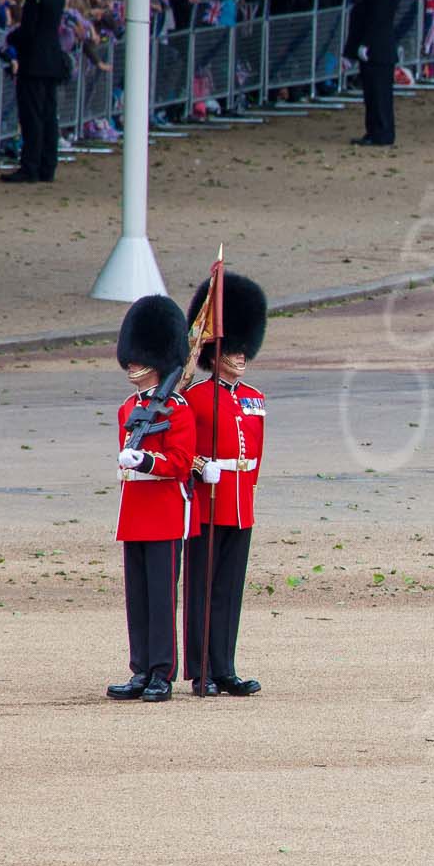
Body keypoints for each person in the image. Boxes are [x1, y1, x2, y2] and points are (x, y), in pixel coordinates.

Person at [181, 273, 268, 698]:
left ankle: (225, 666)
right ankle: (201, 671)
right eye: (231, 351)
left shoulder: (254, 398)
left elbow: (255, 454)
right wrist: (202, 467)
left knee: (229, 592)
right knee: (201, 588)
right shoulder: (195, 397)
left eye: (242, 351)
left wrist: (243, 487)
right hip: (207, 502)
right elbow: (182, 450)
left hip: (238, 502)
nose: (240, 358)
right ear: (214, 355)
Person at [108, 295, 197, 704]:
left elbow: (179, 463)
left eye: (139, 358)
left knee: (162, 597)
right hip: (135, 511)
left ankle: (162, 672)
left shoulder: (177, 409)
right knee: (138, 598)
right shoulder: (128, 407)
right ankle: (140, 669)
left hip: (163, 511)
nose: (132, 365)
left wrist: (145, 458)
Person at [2, 0, 68, 183]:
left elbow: (29, 30)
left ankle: (30, 166)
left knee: (33, 116)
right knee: (49, 115)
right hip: (51, 60)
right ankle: (47, 165)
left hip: (34, 63)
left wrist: (12, 38)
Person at [344, 0, 400, 147]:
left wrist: (366, 43)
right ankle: (374, 131)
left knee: (380, 93)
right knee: (372, 92)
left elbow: (378, 18)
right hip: (375, 46)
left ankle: (382, 133)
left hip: (378, 47)